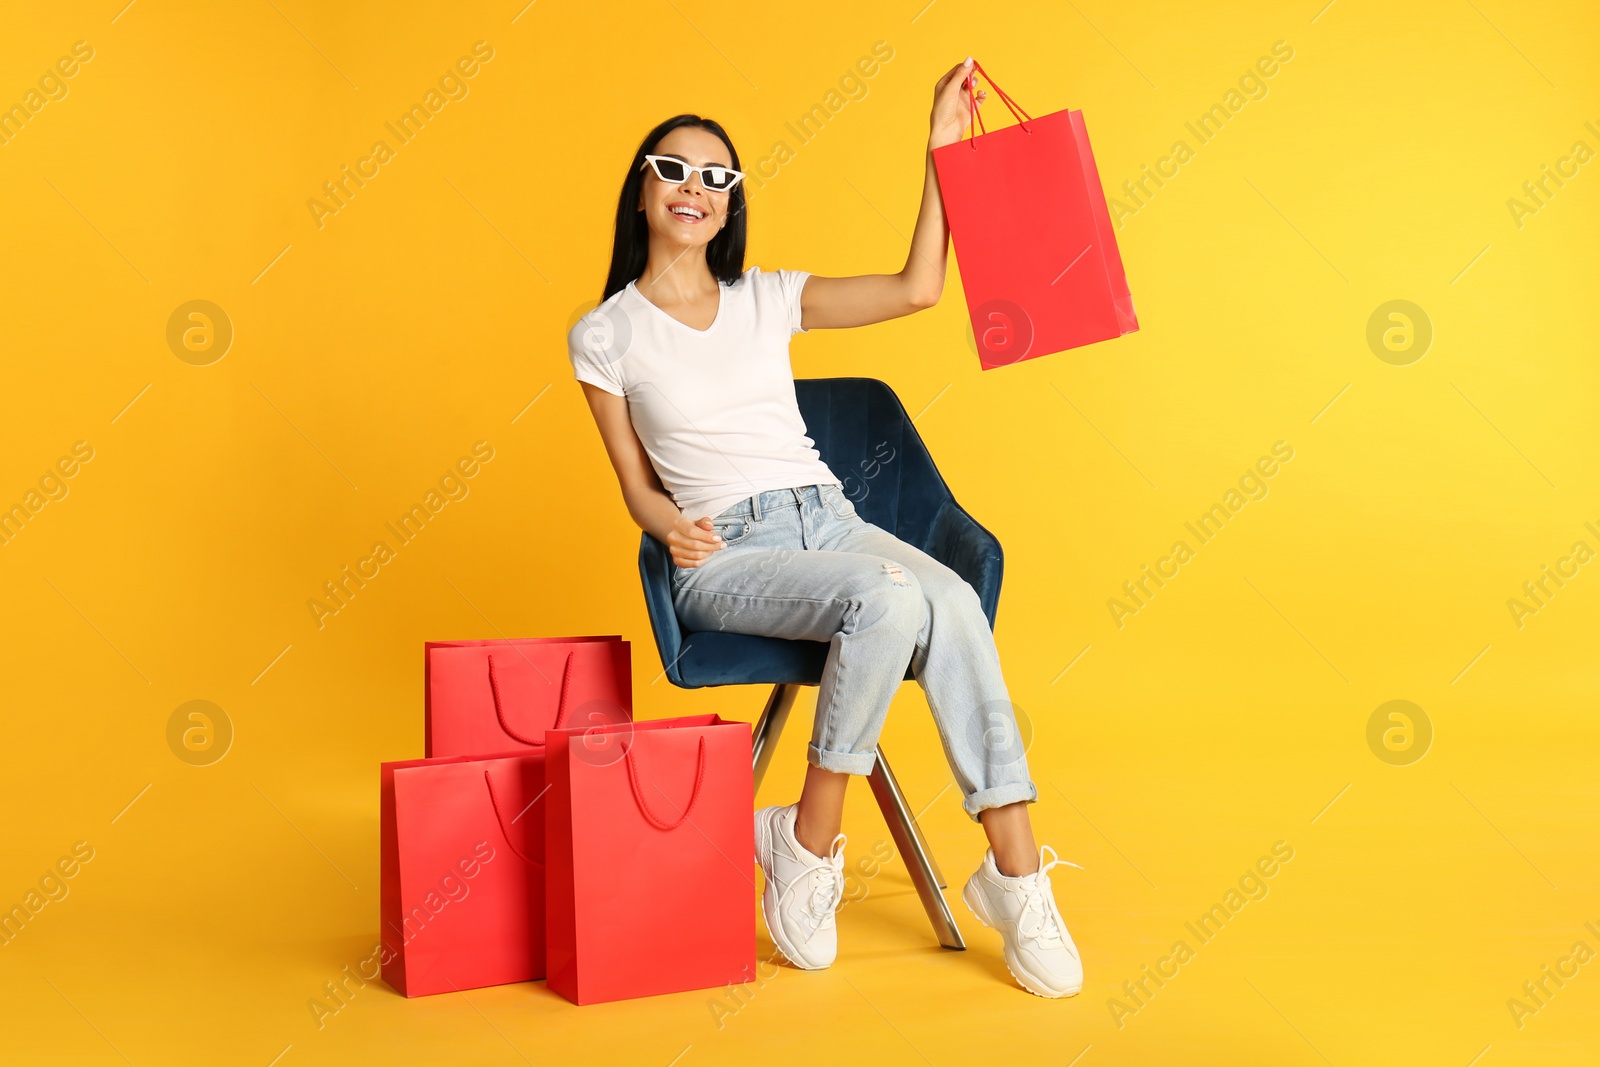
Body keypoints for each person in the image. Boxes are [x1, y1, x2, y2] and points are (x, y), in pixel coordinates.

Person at [567, 58, 1082, 998]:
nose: (696, 189)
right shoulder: (606, 332)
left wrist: (941, 149)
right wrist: (666, 525)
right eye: (674, 170)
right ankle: (810, 845)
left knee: (953, 600)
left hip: (830, 520)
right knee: (889, 601)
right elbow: (634, 487)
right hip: (726, 550)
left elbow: (918, 288)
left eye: (717, 178)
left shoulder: (766, 299)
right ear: (642, 190)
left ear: (731, 206)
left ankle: (1012, 874)